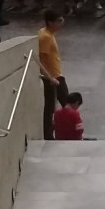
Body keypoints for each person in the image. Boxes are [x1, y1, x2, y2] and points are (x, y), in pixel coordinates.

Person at [38, 9, 68, 139]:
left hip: (56, 75)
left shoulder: (48, 33)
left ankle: (53, 133)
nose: (62, 23)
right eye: (59, 21)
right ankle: (51, 134)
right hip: (53, 77)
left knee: (58, 105)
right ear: (50, 22)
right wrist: (49, 78)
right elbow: (40, 60)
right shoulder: (46, 37)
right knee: (57, 106)